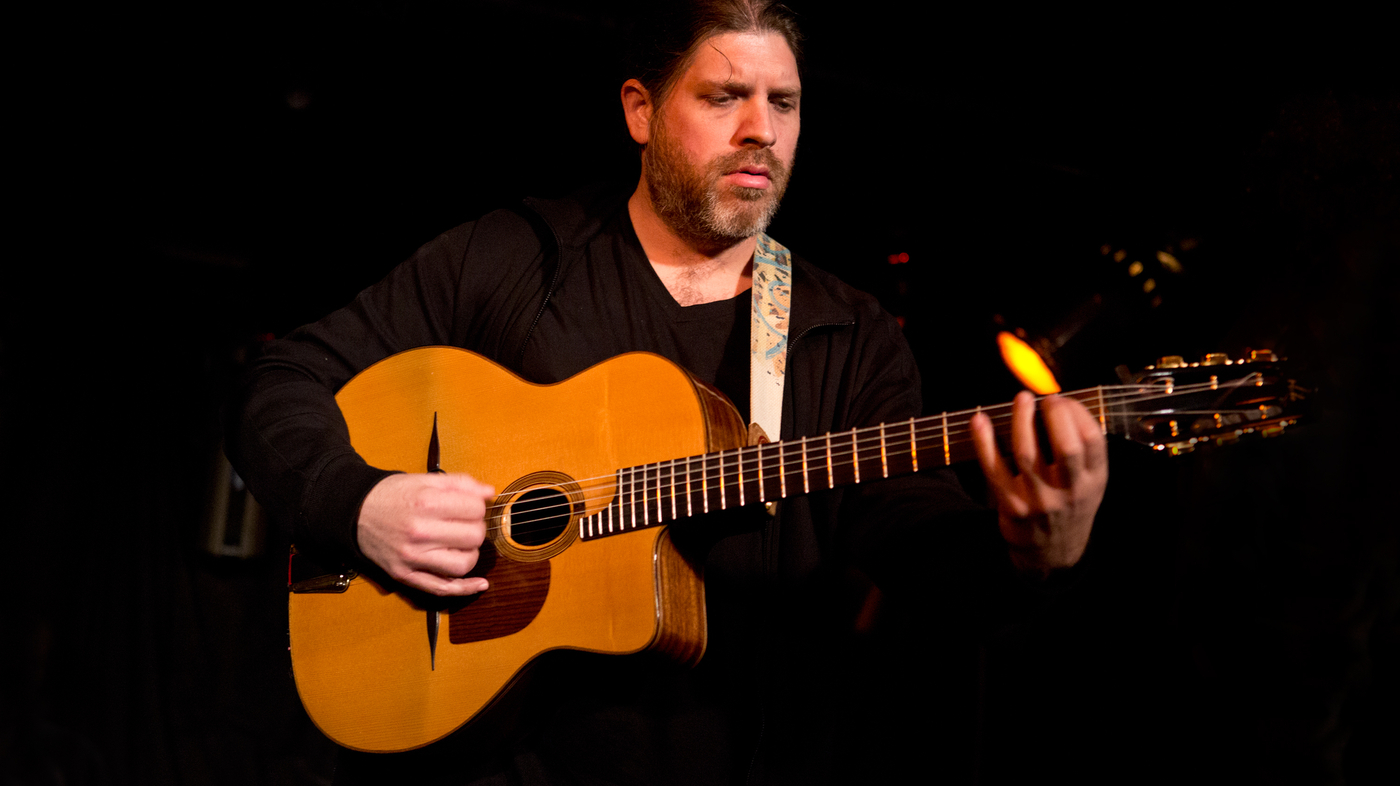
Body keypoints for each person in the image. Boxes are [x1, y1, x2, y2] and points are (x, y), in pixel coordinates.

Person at [228, 2, 1107, 783]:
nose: (761, 129)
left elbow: (921, 550)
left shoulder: (846, 336)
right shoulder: (512, 258)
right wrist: (361, 501)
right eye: (725, 98)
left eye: (785, 103)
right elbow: (278, 381)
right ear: (641, 111)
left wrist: (1037, 554)